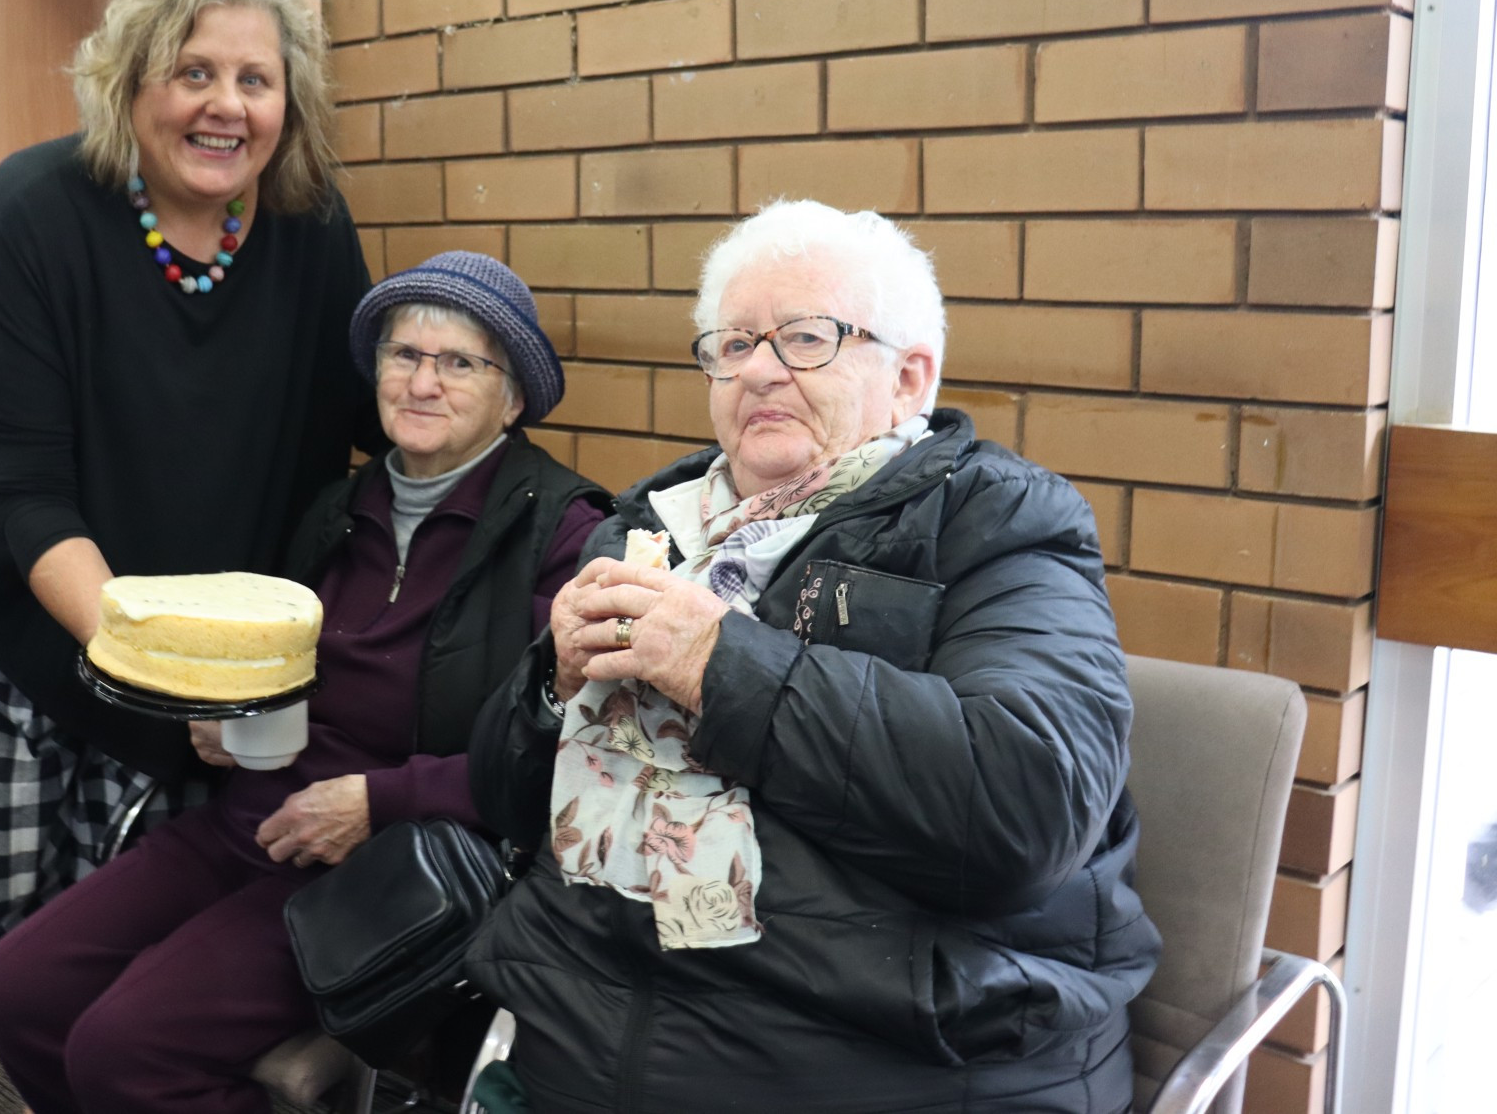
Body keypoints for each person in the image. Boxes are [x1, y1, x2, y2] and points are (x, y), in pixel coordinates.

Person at [466, 201, 1162, 1113]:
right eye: (733, 343)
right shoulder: (656, 523)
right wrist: (548, 692)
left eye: (805, 338)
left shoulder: (999, 523)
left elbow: (1027, 803)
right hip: (576, 1033)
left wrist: (717, 661)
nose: (758, 370)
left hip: (882, 1057)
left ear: (909, 378)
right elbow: (503, 799)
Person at [0, 253, 612, 1114]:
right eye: (402, 355)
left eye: (460, 362)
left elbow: (565, 754)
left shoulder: (564, 533)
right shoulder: (338, 508)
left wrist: (379, 801)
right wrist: (225, 719)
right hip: (249, 818)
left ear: (514, 395)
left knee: (122, 1051)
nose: (423, 381)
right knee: (18, 988)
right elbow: (281, 665)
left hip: (385, 862)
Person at [0, 0, 379, 948]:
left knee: (126, 912)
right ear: (127, 85)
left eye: (255, 80)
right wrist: (164, 681)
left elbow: (371, 427)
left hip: (187, 626)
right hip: (20, 600)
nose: (226, 106)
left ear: (286, 106)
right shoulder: (28, 213)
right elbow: (27, 496)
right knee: (17, 910)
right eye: (193, 71)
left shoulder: (310, 225)